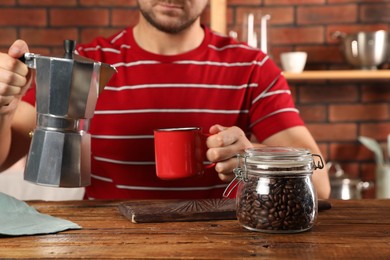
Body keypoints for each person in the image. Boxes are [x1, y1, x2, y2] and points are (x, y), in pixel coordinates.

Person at [0, 0, 330, 199]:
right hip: (104, 242)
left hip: (221, 243)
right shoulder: (87, 62)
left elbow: (320, 182)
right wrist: (4, 108)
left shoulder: (252, 67)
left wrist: (253, 158)